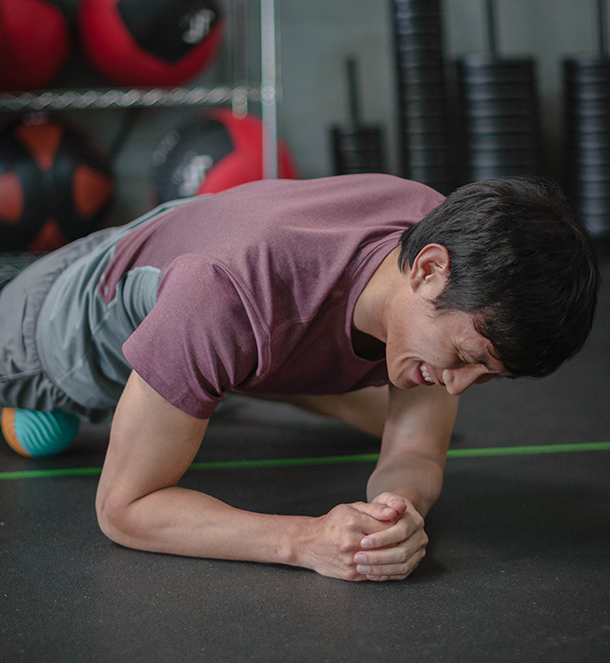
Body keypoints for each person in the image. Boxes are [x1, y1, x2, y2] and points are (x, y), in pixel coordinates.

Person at [0, 174, 600, 582]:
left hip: (201, 261)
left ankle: (217, 379)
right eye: (468, 357)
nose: (459, 387)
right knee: (48, 423)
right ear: (430, 269)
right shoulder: (224, 295)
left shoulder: (441, 229)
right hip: (56, 327)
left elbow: (415, 449)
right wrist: (304, 540)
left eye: (487, 376)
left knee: (389, 400)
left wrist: (398, 511)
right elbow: (125, 508)